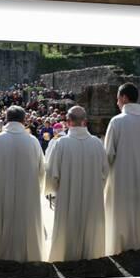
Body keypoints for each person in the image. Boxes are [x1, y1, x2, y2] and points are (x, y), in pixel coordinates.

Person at [0, 105, 45, 262]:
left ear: (6, 119)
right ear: (24, 120)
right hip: (27, 195)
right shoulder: (33, 142)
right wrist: (36, 189)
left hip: (1, 194)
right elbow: (42, 171)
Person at [45, 106, 109, 262]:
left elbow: (51, 174)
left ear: (68, 122)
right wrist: (95, 188)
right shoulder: (97, 143)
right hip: (92, 197)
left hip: (67, 197)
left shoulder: (61, 144)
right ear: (85, 121)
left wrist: (55, 190)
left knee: (67, 231)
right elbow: (105, 173)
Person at [104, 83, 140, 255]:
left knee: (121, 213)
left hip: (121, 178)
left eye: (118, 98)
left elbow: (108, 155)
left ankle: (119, 246)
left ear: (124, 98)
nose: (116, 102)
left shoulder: (116, 121)